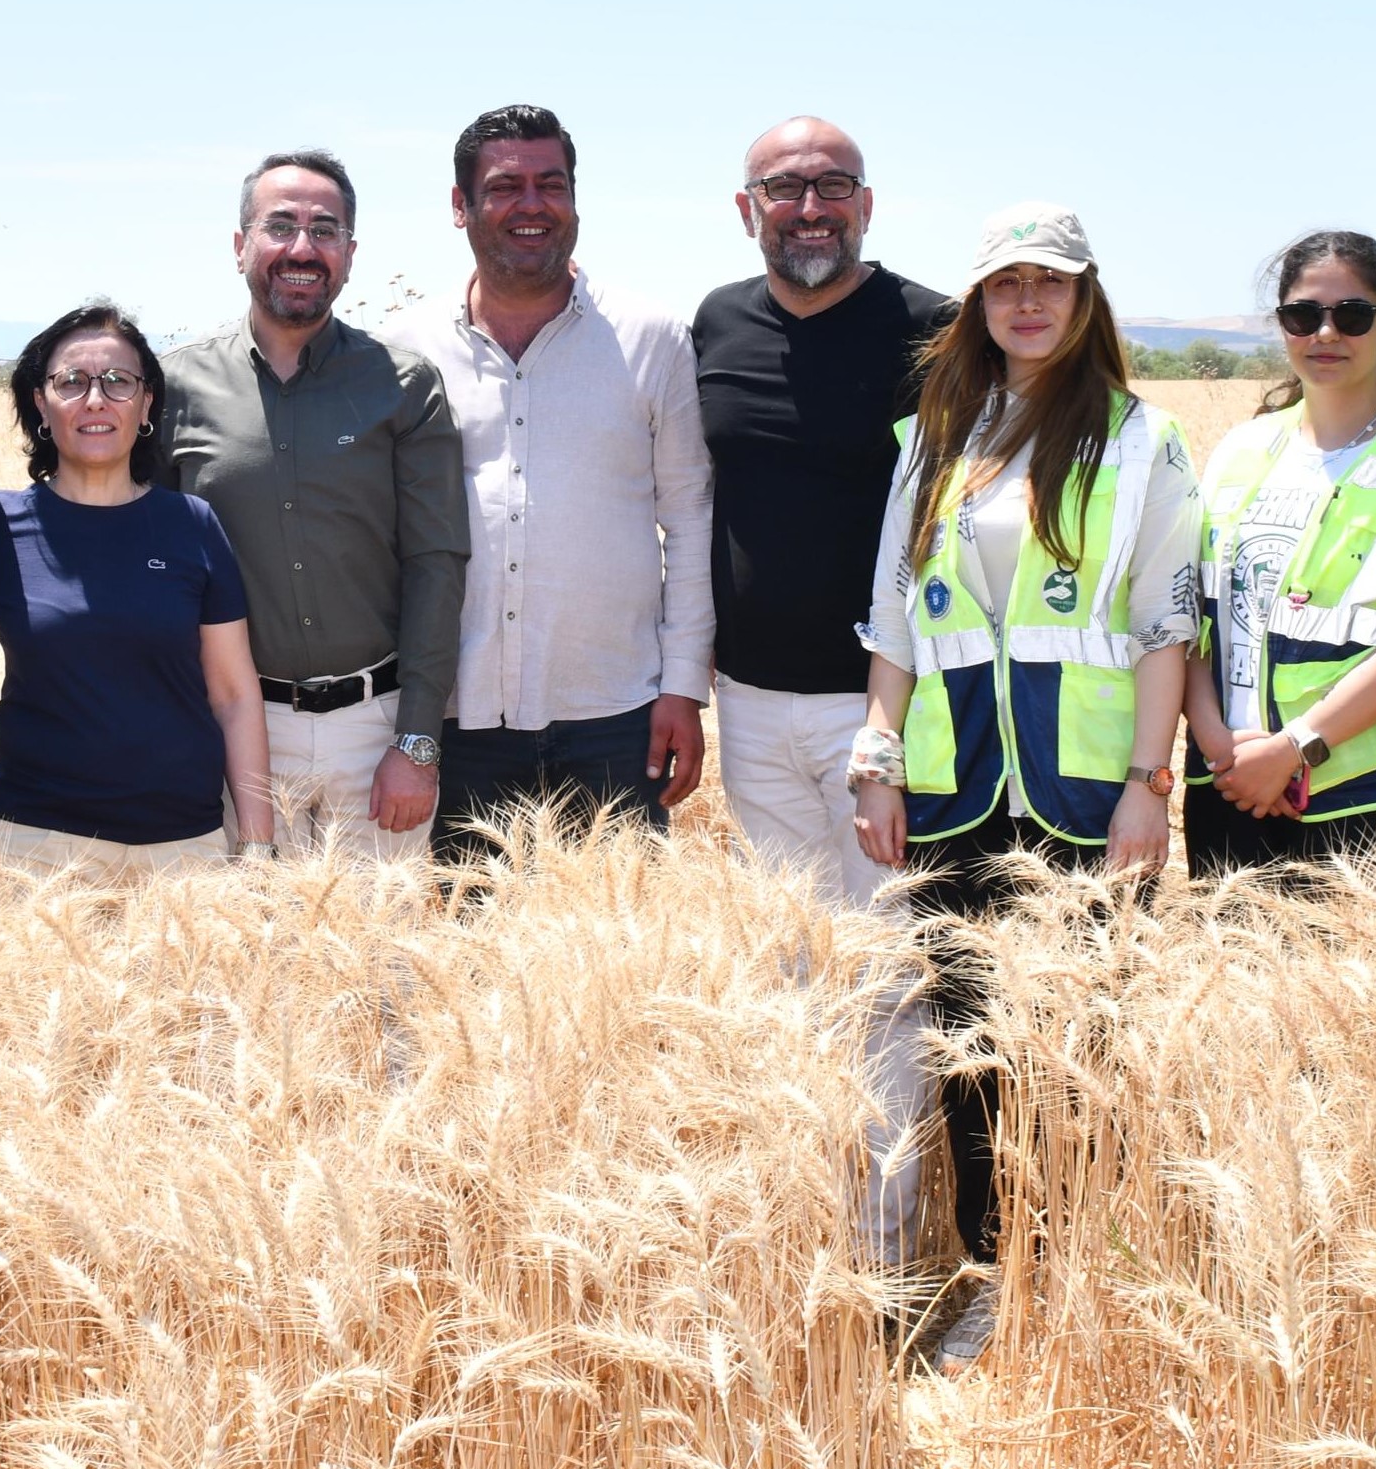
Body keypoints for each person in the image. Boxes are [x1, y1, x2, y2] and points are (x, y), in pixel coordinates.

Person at [849, 207, 1200, 1348]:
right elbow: (896, 615)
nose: (1026, 302)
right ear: (976, 306)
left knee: (1080, 1046)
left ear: (1086, 297)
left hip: (1085, 793)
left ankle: (1082, 1291)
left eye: (1048, 281)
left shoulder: (1140, 440)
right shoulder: (933, 436)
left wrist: (1150, 781)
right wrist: (878, 756)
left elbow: (1164, 618)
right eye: (1003, 284)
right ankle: (997, 1284)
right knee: (968, 1054)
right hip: (956, 795)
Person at [418, 105, 712, 852]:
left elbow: (689, 518)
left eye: (551, 184)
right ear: (461, 207)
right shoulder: (406, 349)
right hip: (456, 722)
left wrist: (682, 686)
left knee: (617, 962)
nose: (532, 205)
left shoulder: (653, 338)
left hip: (617, 718)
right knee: (462, 959)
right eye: (505, 186)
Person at [158, 151, 463, 859]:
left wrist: (416, 742)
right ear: (241, 246)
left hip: (376, 731)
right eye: (280, 227)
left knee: (386, 967)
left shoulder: (405, 386)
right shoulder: (173, 386)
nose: (302, 249)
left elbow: (436, 564)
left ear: (351, 254)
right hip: (235, 730)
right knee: (245, 959)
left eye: (325, 230)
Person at [693, 117, 952, 904]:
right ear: (747, 210)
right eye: (784, 188)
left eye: (833, 186)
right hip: (748, 701)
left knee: (894, 942)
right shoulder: (716, 323)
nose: (811, 206)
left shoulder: (934, 330)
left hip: (885, 698)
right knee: (793, 940)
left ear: (866, 205)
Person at [1182, 234, 1376, 876]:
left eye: (1351, 315)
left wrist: (1294, 748)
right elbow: (1196, 617)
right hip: (1233, 784)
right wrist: (1217, 744)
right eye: (1303, 315)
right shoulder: (1240, 451)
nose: (1325, 332)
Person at [0, 304, 277, 876]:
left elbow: (234, 694)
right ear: (40, 401)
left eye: (117, 382)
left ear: (147, 402)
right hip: (31, 845)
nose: (95, 400)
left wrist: (257, 843)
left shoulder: (193, 524)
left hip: (183, 848)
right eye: (71, 382)